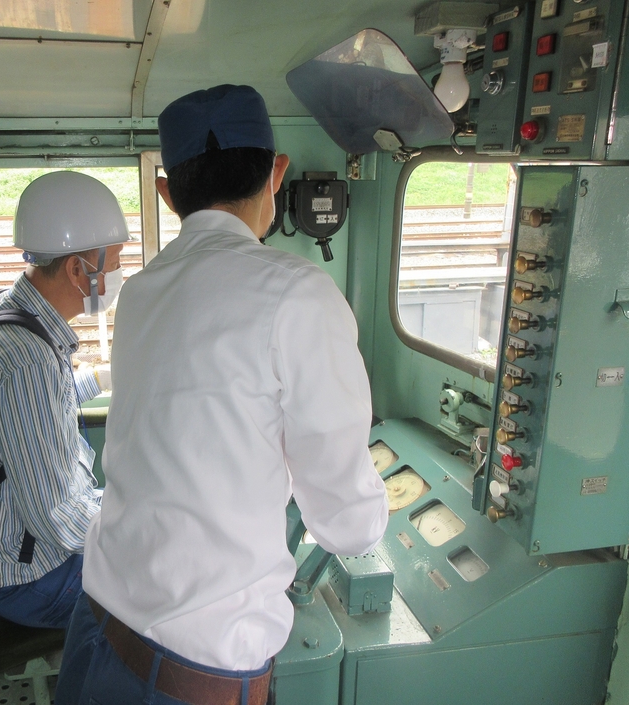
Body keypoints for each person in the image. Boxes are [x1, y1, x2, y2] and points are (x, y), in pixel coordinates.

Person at [55, 85, 389, 704]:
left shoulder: (141, 293)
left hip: (96, 626)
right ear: (276, 173)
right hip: (192, 670)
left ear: (165, 192)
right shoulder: (299, 294)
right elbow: (348, 524)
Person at [0, 170, 128, 629]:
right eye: (113, 263)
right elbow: (56, 518)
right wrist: (132, 533)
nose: (117, 274)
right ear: (77, 269)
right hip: (29, 576)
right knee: (167, 588)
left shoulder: (8, 308)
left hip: (20, 543)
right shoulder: (26, 361)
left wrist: (105, 377)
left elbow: (40, 408)